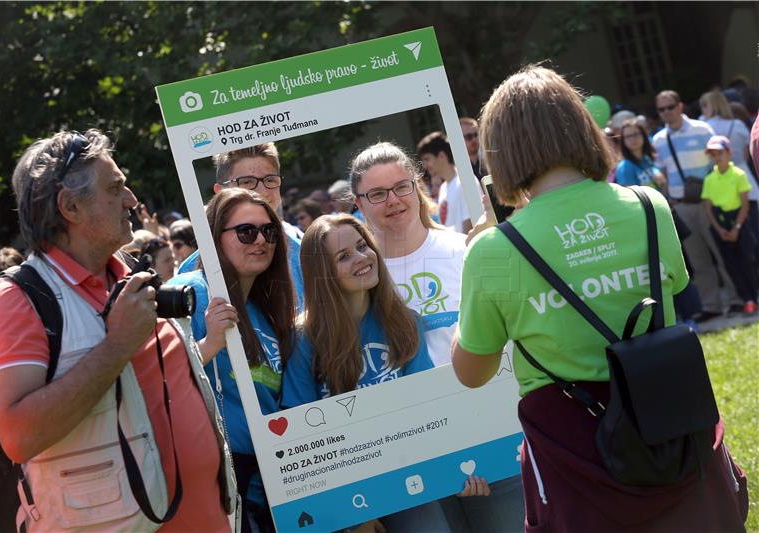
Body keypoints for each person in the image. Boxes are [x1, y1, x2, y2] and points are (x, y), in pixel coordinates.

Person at [452, 65, 748, 531]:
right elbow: (673, 289)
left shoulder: (493, 250)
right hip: (676, 436)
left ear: (501, 153)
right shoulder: (650, 206)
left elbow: (472, 371)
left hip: (576, 457)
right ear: (580, 127)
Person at [0, 129, 234, 531]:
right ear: (70, 206)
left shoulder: (131, 274)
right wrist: (117, 346)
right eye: (116, 188)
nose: (131, 199)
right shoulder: (16, 299)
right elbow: (18, 436)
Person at [349, 142, 525, 531]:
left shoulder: (465, 251)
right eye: (377, 194)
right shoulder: (355, 278)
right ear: (358, 203)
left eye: (401, 186)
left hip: (492, 438)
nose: (392, 200)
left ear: (418, 186)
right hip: (405, 458)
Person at [281, 214, 451, 533]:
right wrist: (352, 514)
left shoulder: (404, 321)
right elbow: (301, 436)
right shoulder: (304, 340)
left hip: (409, 481)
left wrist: (460, 467)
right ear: (323, 273)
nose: (361, 258)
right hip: (344, 497)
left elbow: (429, 407)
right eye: (344, 256)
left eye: (362, 246)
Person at [168, 188, 296, 533]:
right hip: (218, 475)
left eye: (269, 231)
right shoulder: (189, 291)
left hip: (273, 474)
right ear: (215, 238)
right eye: (246, 231)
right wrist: (209, 343)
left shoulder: (266, 309)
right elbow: (157, 380)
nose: (261, 241)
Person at [178, 144, 304, 308]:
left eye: (270, 180)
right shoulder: (191, 272)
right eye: (247, 182)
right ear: (220, 191)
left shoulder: (305, 257)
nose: (262, 192)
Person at [653, 89, 740, 321]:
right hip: (681, 204)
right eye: (661, 109)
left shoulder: (702, 130)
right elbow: (661, 172)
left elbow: (719, 162)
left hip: (707, 202)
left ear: (680, 106)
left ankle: (736, 300)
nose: (666, 112)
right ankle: (710, 305)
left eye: (670, 107)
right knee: (697, 258)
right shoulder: (659, 140)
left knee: (721, 253)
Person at [701, 136, 757, 314]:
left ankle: (753, 296)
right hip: (721, 224)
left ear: (729, 153)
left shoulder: (739, 174)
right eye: (713, 154)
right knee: (731, 264)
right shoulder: (709, 179)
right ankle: (746, 298)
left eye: (720, 153)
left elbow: (745, 204)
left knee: (747, 260)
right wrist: (719, 229)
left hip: (739, 221)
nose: (717, 157)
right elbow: (708, 208)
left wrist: (737, 228)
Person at [701, 89, 759, 258]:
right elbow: (749, 153)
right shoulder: (738, 124)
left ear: (708, 106)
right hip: (746, 179)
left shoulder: (705, 127)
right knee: (754, 233)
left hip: (722, 189)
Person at [417, 131, 481, 234]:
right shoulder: (443, 188)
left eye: (427, 159)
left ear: (442, 156)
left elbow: (472, 226)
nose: (425, 166)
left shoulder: (466, 181)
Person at [614, 118, 668, 193]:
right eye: (628, 136)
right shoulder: (625, 167)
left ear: (643, 135)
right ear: (623, 141)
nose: (633, 139)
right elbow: (630, 198)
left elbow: (662, 187)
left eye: (635, 134)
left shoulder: (648, 159)